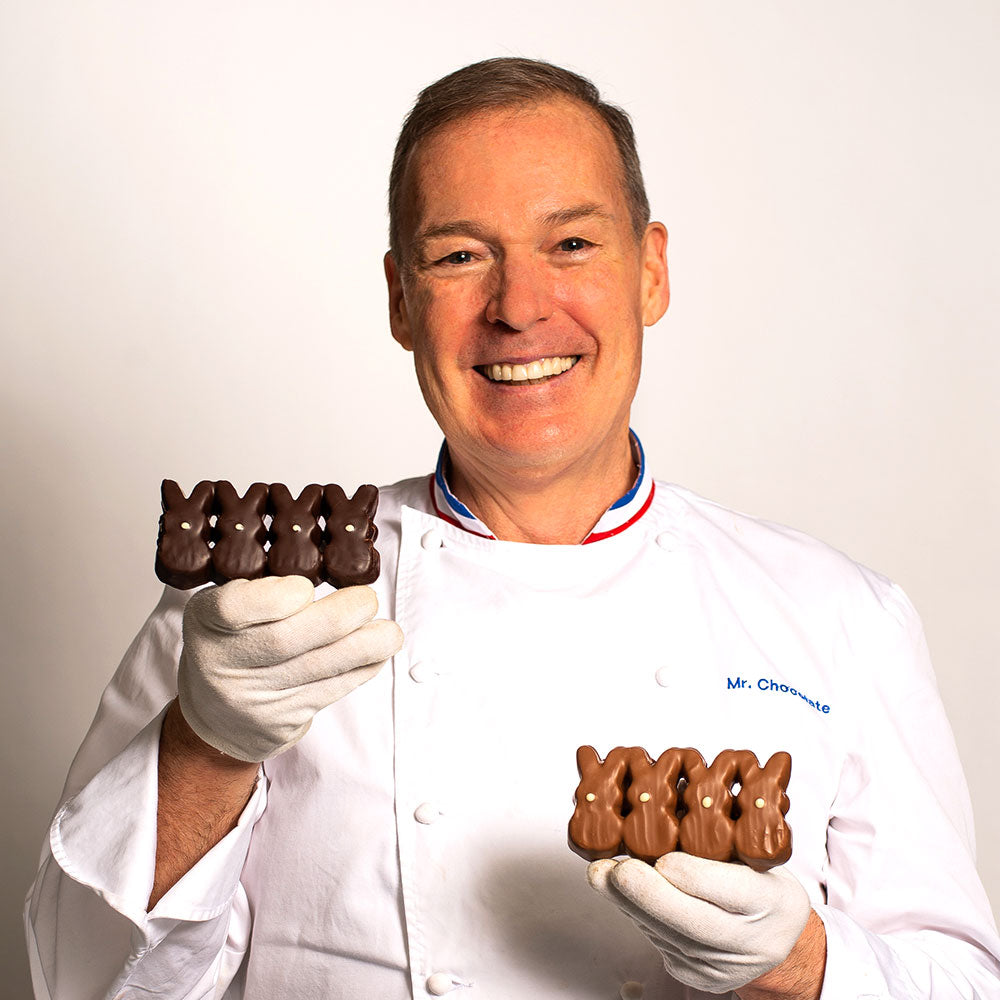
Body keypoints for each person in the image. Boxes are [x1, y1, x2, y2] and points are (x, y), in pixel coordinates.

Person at [25, 57, 1000, 1000]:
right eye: (459, 256)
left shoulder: (838, 618)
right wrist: (207, 742)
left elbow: (961, 983)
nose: (519, 307)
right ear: (402, 300)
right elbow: (72, 980)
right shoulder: (251, 611)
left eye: (571, 243)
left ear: (650, 271)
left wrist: (800, 962)